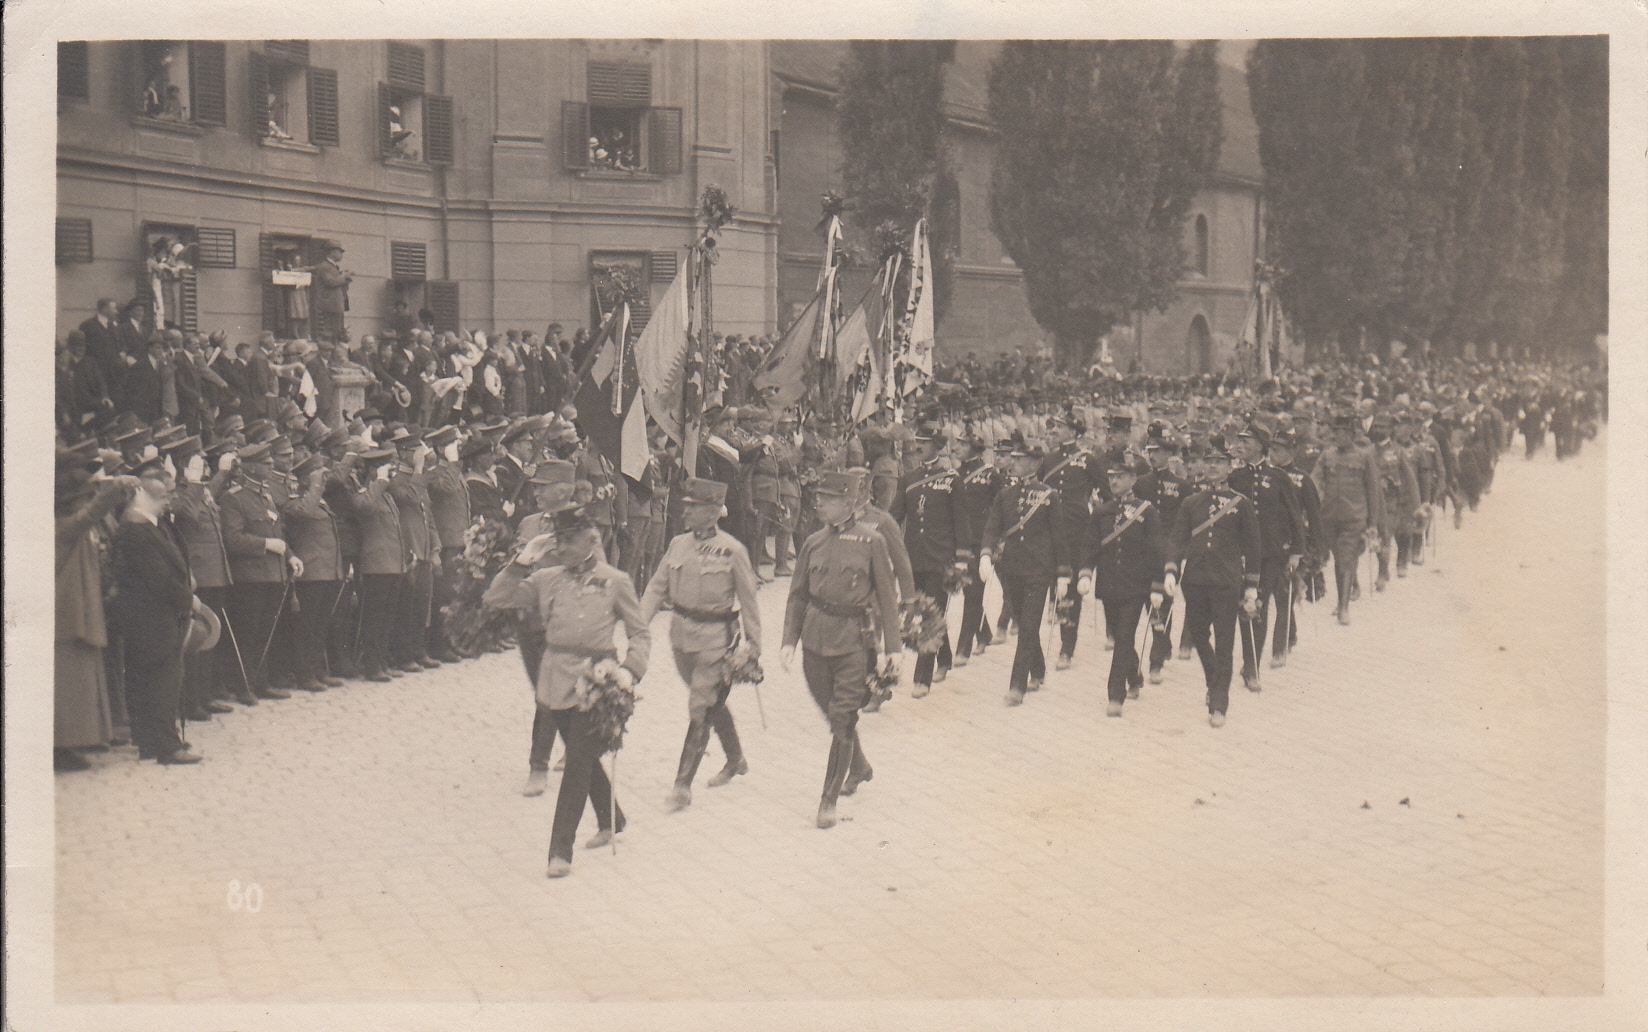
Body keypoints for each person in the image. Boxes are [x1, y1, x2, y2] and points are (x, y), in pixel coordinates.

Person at [483, 505, 650, 879]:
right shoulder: (546, 579)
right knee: (584, 759)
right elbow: (496, 599)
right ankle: (613, 819)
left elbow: (640, 632)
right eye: (558, 540)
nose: (562, 547)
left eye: (570, 540)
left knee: (576, 763)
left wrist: (629, 671)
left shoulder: (616, 580)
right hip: (556, 680)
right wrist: (522, 562)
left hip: (598, 684)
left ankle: (560, 851)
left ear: (592, 539)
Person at [781, 471, 903, 829]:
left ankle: (828, 799)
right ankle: (860, 766)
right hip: (815, 641)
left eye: (828, 498)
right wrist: (789, 639)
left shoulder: (871, 542)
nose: (818, 503)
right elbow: (798, 594)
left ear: (848, 503)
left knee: (842, 718)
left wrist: (893, 647)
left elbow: (886, 596)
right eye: (818, 497)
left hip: (854, 640)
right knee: (831, 711)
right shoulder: (813, 542)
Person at [639, 477, 762, 813]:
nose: (685, 511)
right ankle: (735, 758)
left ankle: (682, 786)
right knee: (710, 705)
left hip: (715, 640)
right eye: (686, 505)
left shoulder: (733, 550)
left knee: (701, 705)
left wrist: (753, 646)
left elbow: (749, 601)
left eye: (692, 507)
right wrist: (639, 625)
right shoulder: (677, 544)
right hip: (681, 639)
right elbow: (655, 587)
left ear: (712, 512)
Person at [1163, 437, 1262, 727]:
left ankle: (1219, 702)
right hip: (1194, 580)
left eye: (1219, 462)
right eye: (1209, 462)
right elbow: (1177, 539)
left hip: (1226, 581)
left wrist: (1252, 587)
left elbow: (1253, 547)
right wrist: (1170, 570)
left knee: (1225, 642)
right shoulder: (1191, 502)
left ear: (1230, 467)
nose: (1213, 467)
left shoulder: (1241, 505)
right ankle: (1214, 680)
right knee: (1198, 636)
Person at [111, 456, 201, 763]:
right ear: (142, 497)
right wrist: (189, 600)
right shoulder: (135, 530)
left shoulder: (154, 525)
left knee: (150, 678)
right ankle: (166, 746)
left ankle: (149, 742)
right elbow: (158, 578)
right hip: (149, 617)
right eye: (162, 498)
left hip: (154, 616)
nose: (168, 503)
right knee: (161, 680)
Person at [980, 435, 1068, 707]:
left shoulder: (1049, 496)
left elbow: (1059, 537)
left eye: (1021, 459)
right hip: (1011, 570)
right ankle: (1038, 670)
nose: (1014, 463)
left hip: (1039, 572)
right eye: (1014, 459)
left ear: (1035, 462)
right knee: (1024, 621)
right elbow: (993, 527)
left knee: (1028, 627)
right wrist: (985, 554)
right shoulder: (1005, 494)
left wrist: (1063, 574)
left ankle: (1017, 687)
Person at [55, 444, 127, 771]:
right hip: (68, 618)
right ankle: (62, 747)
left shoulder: (68, 524)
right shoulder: (62, 526)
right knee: (70, 684)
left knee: (82, 681)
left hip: (82, 612)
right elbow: (89, 515)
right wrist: (113, 490)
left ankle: (79, 742)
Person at [1076, 458, 1165, 716]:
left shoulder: (1146, 511)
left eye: (1120, 476)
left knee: (1125, 636)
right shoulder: (1103, 511)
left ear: (1133, 480)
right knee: (1118, 637)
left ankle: (1115, 696)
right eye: (1111, 475)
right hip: (1109, 586)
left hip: (1136, 587)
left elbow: (1156, 549)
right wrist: (1085, 573)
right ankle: (1134, 676)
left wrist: (1157, 586)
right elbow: (1090, 545)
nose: (1113, 480)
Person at [889, 420, 968, 697]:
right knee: (924, 611)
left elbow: (961, 521)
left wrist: (960, 560)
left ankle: (921, 679)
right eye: (916, 441)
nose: (918, 445)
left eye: (924, 441)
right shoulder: (908, 479)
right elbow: (893, 518)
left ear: (937, 445)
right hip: (913, 558)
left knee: (931, 612)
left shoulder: (952, 480)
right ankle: (944, 657)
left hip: (940, 559)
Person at [219, 440, 302, 699]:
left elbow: (277, 532)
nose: (270, 466)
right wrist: (266, 545)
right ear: (251, 468)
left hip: (272, 574)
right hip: (251, 577)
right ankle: (243, 685)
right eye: (265, 463)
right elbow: (232, 539)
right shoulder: (233, 498)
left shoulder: (265, 495)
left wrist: (290, 555)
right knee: (248, 632)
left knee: (266, 631)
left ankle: (261, 683)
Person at [1226, 422, 1306, 691]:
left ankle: (1252, 668)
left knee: (1257, 607)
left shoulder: (1279, 477)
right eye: (1239, 440)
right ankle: (1250, 661)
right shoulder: (1235, 478)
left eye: (1246, 441)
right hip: (1240, 555)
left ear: (1260, 445)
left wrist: (1296, 551)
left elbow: (1295, 516)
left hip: (1271, 555)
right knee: (1243, 608)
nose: (1241, 445)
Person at [1039, 409, 1107, 669]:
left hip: (1077, 531)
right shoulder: (1048, 459)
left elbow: (1107, 493)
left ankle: (1067, 647)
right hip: (1050, 531)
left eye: (1060, 426)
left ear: (1073, 431)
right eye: (1054, 426)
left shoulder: (1088, 460)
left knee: (1071, 591)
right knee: (1051, 582)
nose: (1054, 430)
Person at [1311, 412, 1384, 625]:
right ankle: (1344, 597)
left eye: (1343, 433)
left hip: (1354, 517)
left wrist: (1372, 524)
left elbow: (1373, 491)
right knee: (1338, 558)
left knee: (1347, 558)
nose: (1338, 437)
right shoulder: (1327, 455)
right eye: (1336, 432)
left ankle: (1343, 607)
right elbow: (1316, 478)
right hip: (1330, 517)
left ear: (1352, 435)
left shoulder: (1364, 457)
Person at [1133, 423, 1191, 682]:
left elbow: (1185, 523)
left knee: (1162, 603)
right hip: (1144, 552)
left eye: (1157, 451)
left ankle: (1155, 663)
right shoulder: (1140, 483)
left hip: (1169, 553)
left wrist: (1180, 552)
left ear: (1169, 454)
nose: (1152, 455)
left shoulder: (1181, 485)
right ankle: (1163, 640)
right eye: (1149, 450)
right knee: (1149, 602)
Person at [952, 430, 1006, 665]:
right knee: (967, 590)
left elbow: (1004, 504)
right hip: (959, 542)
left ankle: (963, 649)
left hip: (980, 541)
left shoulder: (989, 474)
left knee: (973, 593)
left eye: (963, 445)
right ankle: (983, 633)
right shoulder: (954, 474)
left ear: (974, 448)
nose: (957, 448)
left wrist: (998, 541)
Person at [303, 241, 352, 344]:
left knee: (336, 334)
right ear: (332, 252)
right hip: (329, 307)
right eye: (339, 252)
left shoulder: (333, 267)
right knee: (329, 335)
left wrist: (344, 278)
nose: (341, 255)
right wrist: (344, 277)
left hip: (336, 306)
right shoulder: (324, 266)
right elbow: (331, 282)